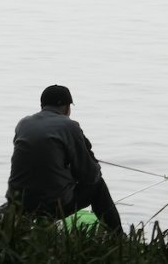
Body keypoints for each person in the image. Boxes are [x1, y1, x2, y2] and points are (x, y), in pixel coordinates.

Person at [6, 84, 122, 232]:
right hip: (51, 206)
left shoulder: (23, 123)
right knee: (97, 186)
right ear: (67, 107)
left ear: (42, 105)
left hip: (18, 203)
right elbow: (90, 175)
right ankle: (118, 238)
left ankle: (34, 229)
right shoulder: (69, 126)